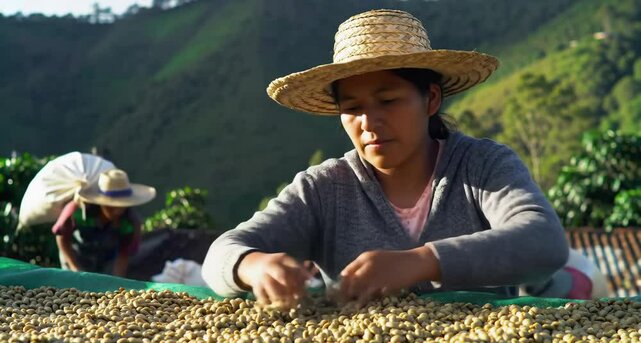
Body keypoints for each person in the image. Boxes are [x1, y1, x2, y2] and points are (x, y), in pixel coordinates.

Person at [202, 9, 569, 308]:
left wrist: (422, 261)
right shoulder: (323, 190)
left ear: (431, 100)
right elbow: (222, 253)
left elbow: (544, 241)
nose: (369, 123)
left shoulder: (481, 165)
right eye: (352, 108)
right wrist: (254, 266)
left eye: (389, 101)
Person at [52, 169, 156, 276]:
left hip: (104, 264)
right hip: (75, 259)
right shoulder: (78, 212)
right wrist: (74, 267)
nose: (117, 210)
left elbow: (124, 253)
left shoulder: (129, 221)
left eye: (122, 205)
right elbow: (62, 238)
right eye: (112, 205)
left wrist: (117, 280)